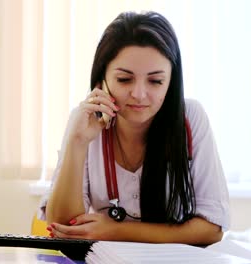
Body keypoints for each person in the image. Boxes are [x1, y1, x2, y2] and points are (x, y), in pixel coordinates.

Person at [38, 11, 229, 245]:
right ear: (102, 80)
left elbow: (211, 229)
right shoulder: (85, 121)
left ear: (171, 82)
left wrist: (116, 231)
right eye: (124, 80)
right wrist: (77, 142)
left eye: (155, 81)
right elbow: (64, 227)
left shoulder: (191, 118)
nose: (139, 94)